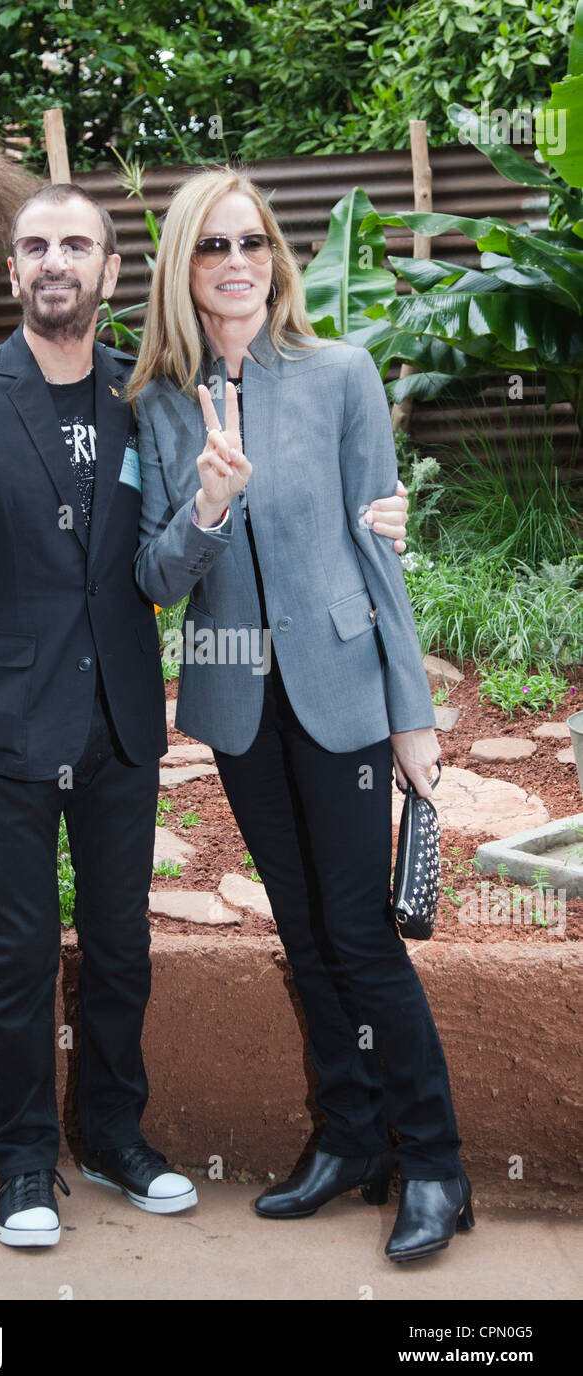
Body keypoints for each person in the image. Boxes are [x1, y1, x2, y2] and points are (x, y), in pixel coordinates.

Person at [0, 181, 408, 1249]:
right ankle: (27, 1163)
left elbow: (207, 532)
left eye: (78, 244)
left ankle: (116, 1135)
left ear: (113, 272)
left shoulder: (145, 395)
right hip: (9, 720)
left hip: (120, 716)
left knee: (123, 947)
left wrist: (376, 519)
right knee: (25, 951)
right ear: (16, 271)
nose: (57, 261)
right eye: (37, 247)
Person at [129, 165, 473, 1264]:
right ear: (182, 266)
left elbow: (382, 548)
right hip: (240, 705)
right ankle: (353, 1138)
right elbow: (155, 577)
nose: (237, 262)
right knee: (306, 936)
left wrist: (412, 713)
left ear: (273, 255)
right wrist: (209, 504)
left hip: (341, 693)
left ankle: (437, 1164)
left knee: (362, 937)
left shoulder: (339, 374)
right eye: (213, 246)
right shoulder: (159, 404)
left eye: (253, 242)